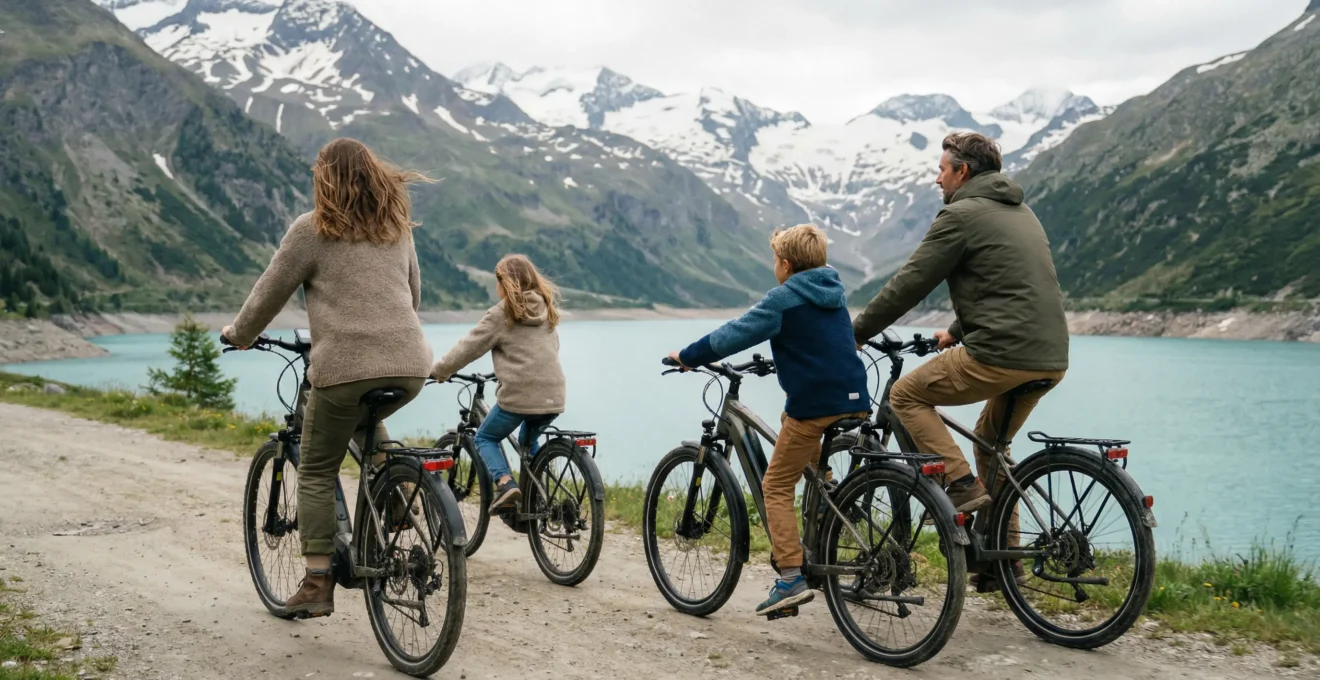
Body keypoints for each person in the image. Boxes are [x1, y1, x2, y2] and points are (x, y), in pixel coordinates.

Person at [221, 138, 434, 617]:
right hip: (411, 363)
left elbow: (266, 296)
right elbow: (413, 296)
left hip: (344, 369)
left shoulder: (311, 230)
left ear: (325, 178)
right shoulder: (396, 229)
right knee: (367, 425)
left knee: (317, 468)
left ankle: (317, 583)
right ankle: (399, 498)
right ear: (374, 176)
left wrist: (239, 334)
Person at [851, 132, 1070, 585]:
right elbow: (1007, 288)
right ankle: (1003, 563)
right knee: (992, 441)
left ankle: (960, 485)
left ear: (962, 172)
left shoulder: (961, 215)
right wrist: (954, 331)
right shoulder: (1021, 212)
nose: (937, 178)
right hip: (1049, 356)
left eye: (942, 170)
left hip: (999, 354)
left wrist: (855, 333)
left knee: (905, 395)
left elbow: (910, 283)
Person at [668, 224, 868, 616]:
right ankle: (828, 498)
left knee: (775, 484)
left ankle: (791, 577)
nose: (774, 266)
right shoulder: (835, 293)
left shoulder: (785, 298)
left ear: (786, 264)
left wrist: (688, 357)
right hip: (854, 397)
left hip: (815, 403)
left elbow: (733, 334)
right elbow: (819, 343)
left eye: (775, 260)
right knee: (792, 426)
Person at [430, 254, 566, 513]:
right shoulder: (547, 308)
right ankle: (541, 496)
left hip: (520, 395)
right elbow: (551, 348)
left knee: (485, 437)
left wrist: (440, 370)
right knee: (529, 441)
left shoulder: (502, 313)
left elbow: (468, 348)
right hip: (554, 394)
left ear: (504, 283)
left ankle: (505, 484)